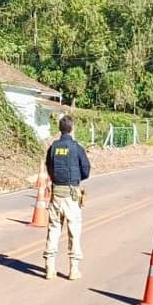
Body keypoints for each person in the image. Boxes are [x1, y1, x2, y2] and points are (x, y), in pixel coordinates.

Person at [43, 115, 91, 280]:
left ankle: (50, 268)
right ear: (72, 129)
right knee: (74, 230)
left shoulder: (53, 147)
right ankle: (73, 269)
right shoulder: (76, 148)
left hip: (56, 192)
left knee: (53, 229)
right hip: (71, 194)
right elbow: (86, 169)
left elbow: (48, 166)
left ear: (60, 129)